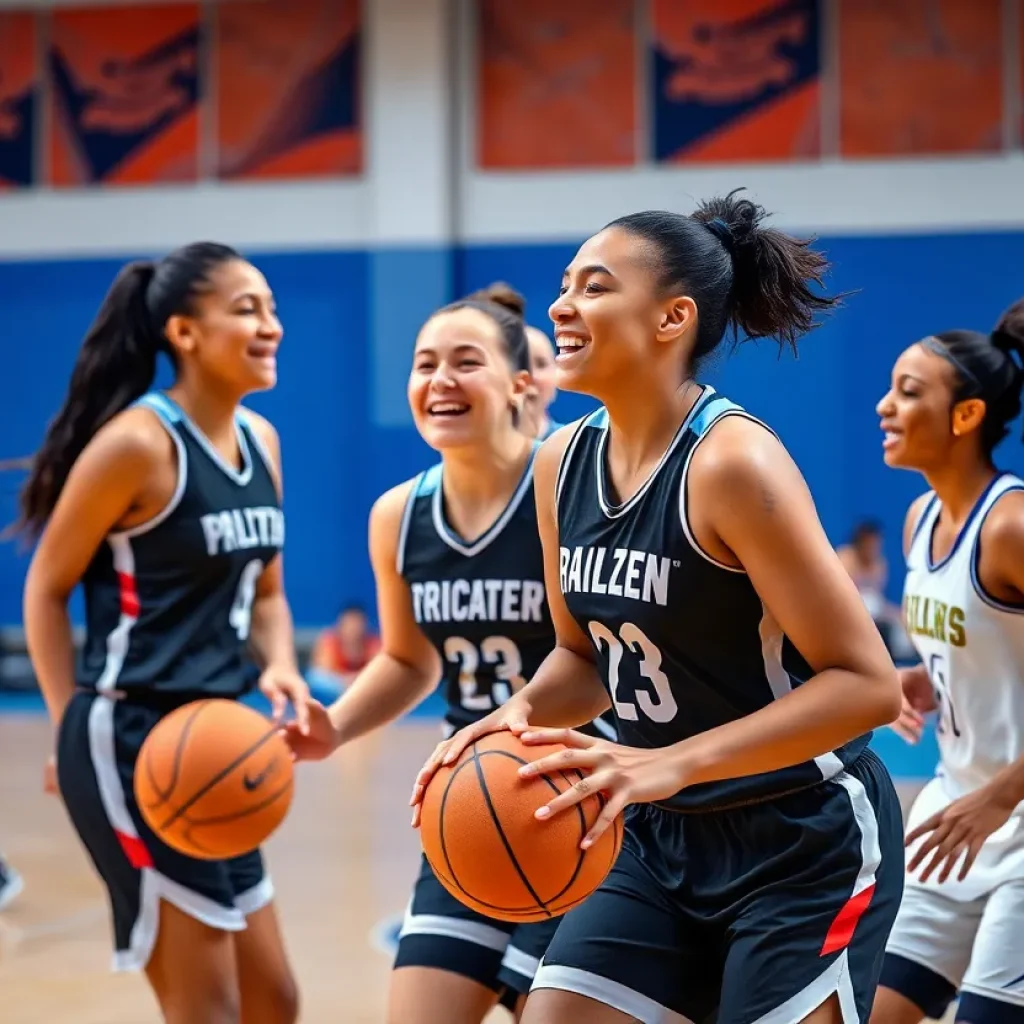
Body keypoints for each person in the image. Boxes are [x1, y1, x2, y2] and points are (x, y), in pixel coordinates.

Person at [412, 191, 905, 1024]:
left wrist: (666, 762)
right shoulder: (558, 463)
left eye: (596, 286)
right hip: (650, 835)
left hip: (799, 840)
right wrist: (513, 717)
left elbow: (867, 686)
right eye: (565, 284)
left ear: (672, 317)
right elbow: (581, 661)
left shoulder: (732, 465)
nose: (563, 305)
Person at [286, 285, 614, 1024]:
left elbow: (605, 661)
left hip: (581, 799)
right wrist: (335, 728)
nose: (440, 380)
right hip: (470, 802)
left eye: (465, 362)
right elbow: (409, 661)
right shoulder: (398, 516)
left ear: (521, 384)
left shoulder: (569, 489)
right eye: (423, 363)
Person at [19, 243, 309, 1024]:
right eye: (247, 308)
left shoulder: (263, 444)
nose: (271, 326)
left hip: (216, 734)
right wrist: (66, 726)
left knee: (274, 1000)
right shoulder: (137, 445)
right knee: (206, 1010)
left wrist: (279, 664)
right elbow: (45, 590)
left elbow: (271, 592)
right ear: (184, 332)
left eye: (273, 309)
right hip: (131, 737)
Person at [872, 303, 1024, 1024]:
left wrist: (1000, 796)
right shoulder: (919, 520)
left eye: (908, 390)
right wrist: (929, 677)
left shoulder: (1012, 526)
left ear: (965, 417)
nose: (885, 405)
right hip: (953, 819)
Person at [309, 603, 381, 682]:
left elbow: (378, 672)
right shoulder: (329, 642)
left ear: (365, 625)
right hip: (336, 689)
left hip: (365, 686)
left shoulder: (374, 645)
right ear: (340, 625)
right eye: (349, 623)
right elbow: (320, 673)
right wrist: (344, 680)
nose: (353, 628)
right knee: (316, 677)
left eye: (357, 623)